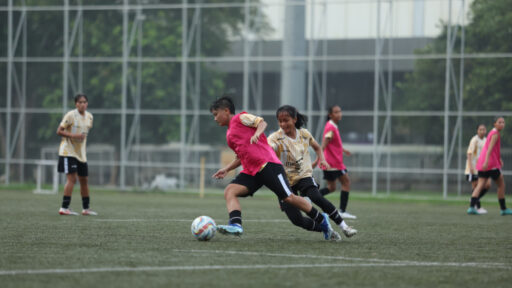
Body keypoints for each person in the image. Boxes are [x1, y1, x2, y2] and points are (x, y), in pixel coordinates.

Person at [210, 96, 335, 240]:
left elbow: (261, 122)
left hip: (268, 164)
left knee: (289, 198)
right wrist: (226, 169)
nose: (215, 118)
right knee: (230, 191)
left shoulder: (241, 118)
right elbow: (241, 157)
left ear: (226, 110)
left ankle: (321, 219)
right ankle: (236, 225)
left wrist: (257, 133)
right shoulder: (229, 135)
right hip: (252, 171)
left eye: (216, 114)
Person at [267, 105, 357, 239]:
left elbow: (318, 148)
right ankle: (326, 228)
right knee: (297, 220)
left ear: (295, 119)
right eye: (280, 121)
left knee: (316, 197)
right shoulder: (275, 137)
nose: (283, 124)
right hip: (285, 181)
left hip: (304, 175)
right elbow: (269, 148)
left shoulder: (304, 134)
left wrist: (322, 160)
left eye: (286, 120)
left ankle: (344, 226)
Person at [57, 94, 97, 216]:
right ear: (76, 104)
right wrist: (74, 136)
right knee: (72, 179)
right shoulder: (71, 115)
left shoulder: (90, 117)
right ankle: (64, 208)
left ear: (87, 103)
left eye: (85, 102)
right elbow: (59, 131)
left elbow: (83, 135)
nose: (83, 104)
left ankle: (86, 208)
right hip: (68, 152)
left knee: (84, 180)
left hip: (81, 154)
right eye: (80, 102)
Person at [467, 117, 512, 215]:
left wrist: (498, 158)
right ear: (494, 124)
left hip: (483, 163)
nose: (502, 124)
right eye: (499, 122)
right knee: (501, 185)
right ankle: (503, 209)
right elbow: (490, 149)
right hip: (490, 164)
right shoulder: (495, 134)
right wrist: (487, 161)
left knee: (480, 186)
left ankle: (471, 207)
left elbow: (494, 149)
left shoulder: (491, 133)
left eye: (503, 122)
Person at [318, 105, 356, 219]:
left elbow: (332, 143)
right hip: (334, 163)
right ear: (330, 115)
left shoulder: (332, 126)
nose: (339, 114)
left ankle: (309, 198)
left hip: (334, 162)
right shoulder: (330, 127)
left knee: (332, 187)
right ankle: (342, 211)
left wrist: (343, 150)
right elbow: (324, 144)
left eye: (340, 111)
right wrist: (319, 159)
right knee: (346, 182)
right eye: (336, 112)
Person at [465, 124, 491, 214]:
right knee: (476, 186)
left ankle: (473, 199)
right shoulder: (474, 140)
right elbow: (469, 153)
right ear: (477, 131)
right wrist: (471, 167)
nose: (482, 131)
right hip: (473, 168)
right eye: (480, 129)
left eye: (484, 129)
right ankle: (477, 207)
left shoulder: (486, 140)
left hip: (482, 168)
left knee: (487, 185)